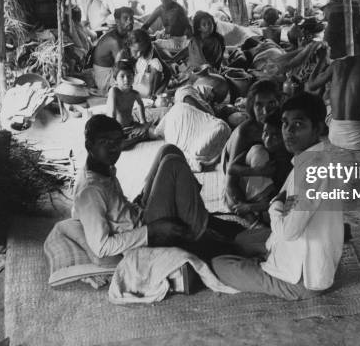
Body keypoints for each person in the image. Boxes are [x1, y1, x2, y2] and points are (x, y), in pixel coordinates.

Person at [212, 92, 345, 301]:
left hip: (301, 279)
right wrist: (280, 204)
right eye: (285, 124)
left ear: (318, 128)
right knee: (241, 240)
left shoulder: (312, 169)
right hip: (309, 259)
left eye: (298, 124)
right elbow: (285, 198)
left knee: (219, 263)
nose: (288, 132)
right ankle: (262, 259)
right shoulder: (319, 156)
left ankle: (262, 267)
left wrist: (275, 208)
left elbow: (288, 230)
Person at [72, 115, 242, 261]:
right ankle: (197, 233)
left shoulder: (102, 167)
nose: (114, 149)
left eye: (117, 142)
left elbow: (116, 211)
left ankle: (195, 214)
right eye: (104, 142)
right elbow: (102, 247)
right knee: (173, 164)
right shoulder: (89, 191)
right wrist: (151, 230)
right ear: (89, 145)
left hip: (137, 214)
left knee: (168, 150)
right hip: (143, 232)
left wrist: (135, 203)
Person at [223, 80, 288, 209]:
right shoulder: (245, 132)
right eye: (259, 105)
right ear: (251, 106)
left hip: (266, 175)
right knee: (259, 152)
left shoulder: (283, 125)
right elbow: (231, 183)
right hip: (245, 173)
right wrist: (247, 210)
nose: (265, 111)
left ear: (279, 103)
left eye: (271, 104)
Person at [225, 111, 290, 227]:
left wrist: (249, 207)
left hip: (269, 199)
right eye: (265, 133)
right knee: (258, 151)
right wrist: (259, 171)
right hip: (250, 192)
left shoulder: (288, 159)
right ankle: (257, 214)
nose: (268, 140)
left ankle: (256, 212)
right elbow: (231, 169)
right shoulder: (258, 147)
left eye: (275, 136)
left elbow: (287, 196)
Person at [106, 59, 149, 149]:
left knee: (149, 132)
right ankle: (135, 139)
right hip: (116, 128)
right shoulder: (114, 91)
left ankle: (133, 138)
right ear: (115, 80)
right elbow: (112, 114)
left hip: (131, 126)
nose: (126, 79)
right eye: (122, 76)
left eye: (129, 76)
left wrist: (143, 122)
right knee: (117, 144)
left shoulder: (135, 94)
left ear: (134, 77)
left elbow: (140, 105)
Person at [92, 7, 134, 92]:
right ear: (117, 21)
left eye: (131, 18)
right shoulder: (114, 41)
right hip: (105, 78)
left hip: (114, 70)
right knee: (140, 84)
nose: (130, 21)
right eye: (126, 18)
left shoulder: (124, 35)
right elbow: (122, 67)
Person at [118, 29, 163, 99]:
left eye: (142, 51)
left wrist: (155, 93)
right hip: (128, 84)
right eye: (136, 51)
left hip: (143, 85)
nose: (139, 54)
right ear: (129, 45)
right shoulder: (122, 55)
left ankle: (150, 95)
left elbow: (167, 73)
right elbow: (118, 76)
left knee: (156, 64)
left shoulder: (149, 52)